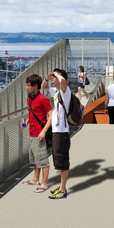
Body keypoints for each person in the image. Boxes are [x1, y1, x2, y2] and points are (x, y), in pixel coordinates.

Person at [37, 69, 73, 200]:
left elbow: (63, 81)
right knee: (59, 161)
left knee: (63, 162)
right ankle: (61, 187)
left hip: (62, 132)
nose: (53, 78)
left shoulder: (65, 91)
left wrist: (58, 74)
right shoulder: (56, 92)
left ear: (60, 77)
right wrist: (47, 78)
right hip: (57, 132)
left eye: (54, 76)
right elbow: (44, 87)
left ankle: (63, 190)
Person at [23, 74, 52, 193]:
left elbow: (51, 116)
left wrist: (44, 131)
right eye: (26, 85)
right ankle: (35, 179)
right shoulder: (29, 98)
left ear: (36, 86)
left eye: (29, 85)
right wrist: (27, 121)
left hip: (39, 134)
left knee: (43, 159)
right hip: (31, 132)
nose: (27, 87)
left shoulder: (43, 99)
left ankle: (44, 184)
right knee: (35, 157)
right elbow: (32, 113)